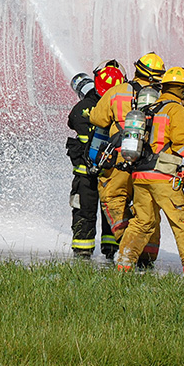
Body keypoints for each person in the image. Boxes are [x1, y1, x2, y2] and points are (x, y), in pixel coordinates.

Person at [115, 67, 184, 280]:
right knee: (182, 219)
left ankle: (124, 264)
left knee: (141, 222)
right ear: (183, 91)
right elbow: (181, 140)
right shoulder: (176, 110)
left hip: (140, 175)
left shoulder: (148, 108)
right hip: (163, 175)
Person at [89, 52, 165, 265]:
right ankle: (147, 256)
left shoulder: (117, 92)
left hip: (120, 159)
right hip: (150, 163)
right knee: (148, 209)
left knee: (113, 198)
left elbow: (97, 118)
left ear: (136, 70)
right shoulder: (164, 98)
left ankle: (127, 244)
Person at [65, 66, 123, 260]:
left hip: (84, 173)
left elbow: (73, 122)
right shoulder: (121, 106)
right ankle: (111, 249)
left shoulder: (81, 109)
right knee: (112, 209)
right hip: (111, 172)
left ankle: (82, 250)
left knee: (83, 210)